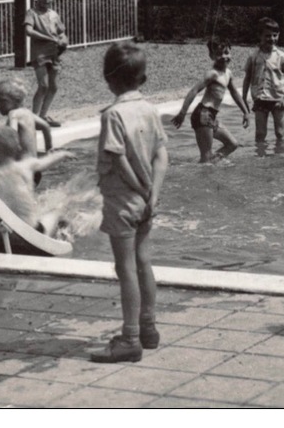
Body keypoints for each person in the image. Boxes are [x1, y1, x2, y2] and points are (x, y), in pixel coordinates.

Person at [89, 43, 169, 364]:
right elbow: (162, 155)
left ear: (108, 79)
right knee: (143, 261)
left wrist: (138, 188)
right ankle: (149, 327)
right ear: (144, 78)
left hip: (122, 200)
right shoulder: (150, 110)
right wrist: (153, 193)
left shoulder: (113, 114)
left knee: (125, 268)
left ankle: (130, 338)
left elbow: (118, 160)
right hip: (146, 203)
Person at [0, 126, 76, 235]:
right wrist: (62, 154)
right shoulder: (25, 166)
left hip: (7, 231)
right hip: (32, 230)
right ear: (18, 148)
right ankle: (65, 239)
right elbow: (46, 162)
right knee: (58, 211)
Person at [172, 41, 249, 162]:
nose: (223, 57)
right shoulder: (212, 74)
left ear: (231, 52)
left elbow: (234, 93)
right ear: (212, 56)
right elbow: (194, 90)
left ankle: (206, 164)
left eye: (226, 53)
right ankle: (204, 168)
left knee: (232, 144)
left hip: (211, 116)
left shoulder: (228, 73)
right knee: (206, 156)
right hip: (203, 114)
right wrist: (182, 113)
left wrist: (245, 112)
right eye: (219, 54)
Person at [242, 18, 284, 153]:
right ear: (259, 36)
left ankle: (281, 158)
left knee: (280, 132)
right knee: (260, 133)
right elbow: (247, 78)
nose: (271, 38)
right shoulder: (253, 56)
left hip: (278, 99)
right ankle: (260, 158)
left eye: (275, 35)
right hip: (260, 99)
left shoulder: (282, 57)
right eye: (267, 35)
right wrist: (244, 100)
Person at [27, 0, 69, 124]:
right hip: (40, 53)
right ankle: (34, 118)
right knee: (43, 85)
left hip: (54, 53)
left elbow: (61, 32)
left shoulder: (54, 14)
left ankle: (43, 116)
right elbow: (28, 30)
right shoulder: (32, 13)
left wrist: (63, 40)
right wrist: (48, 37)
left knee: (53, 86)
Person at [0, 78, 53, 158]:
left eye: (1, 100)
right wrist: (49, 149)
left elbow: (12, 134)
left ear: (15, 100)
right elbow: (46, 126)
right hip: (33, 162)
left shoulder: (13, 114)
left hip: (22, 165)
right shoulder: (28, 112)